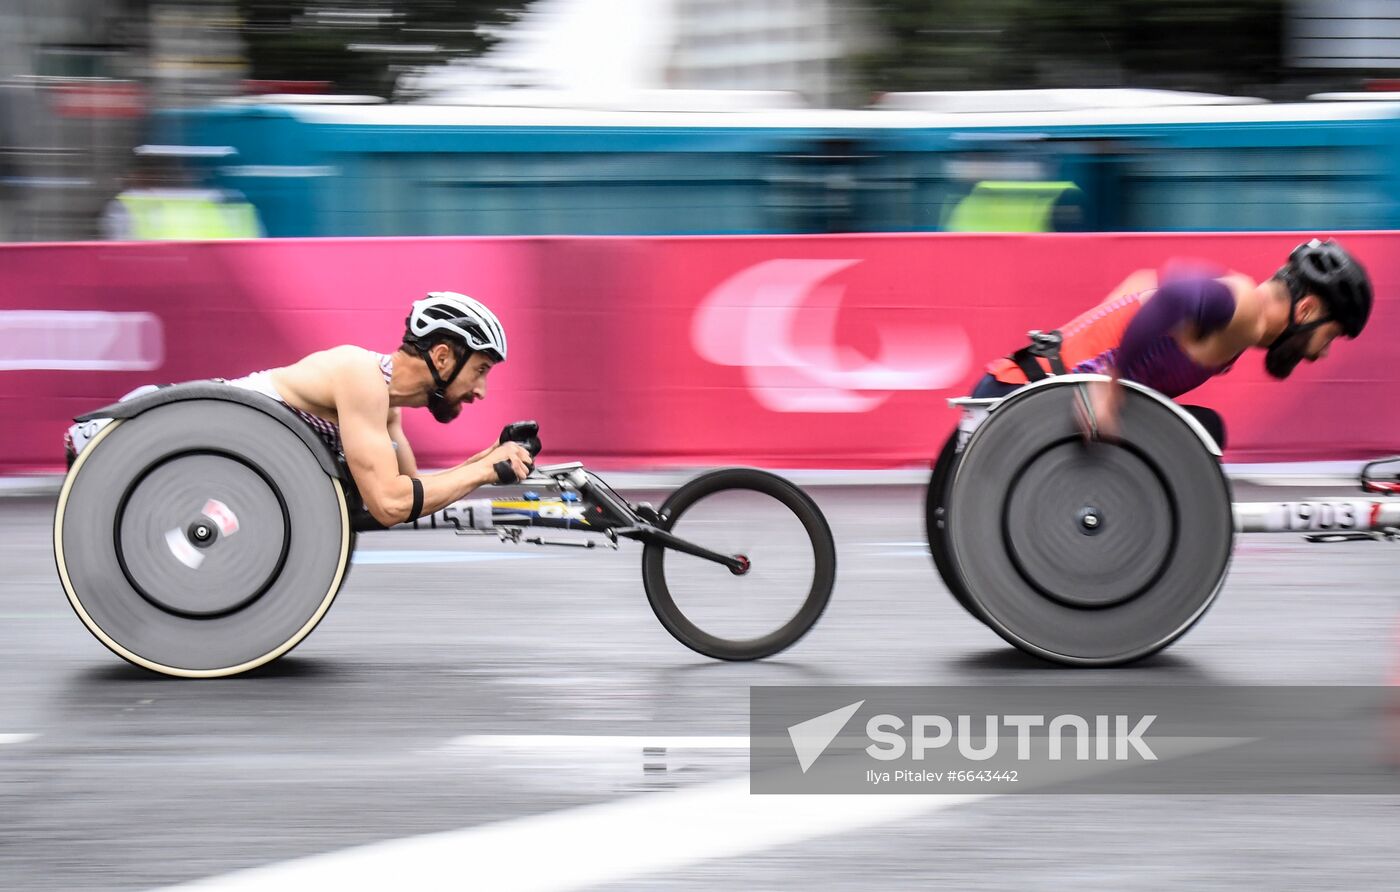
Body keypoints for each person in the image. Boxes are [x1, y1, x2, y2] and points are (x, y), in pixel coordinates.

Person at [65, 292, 535, 527]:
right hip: (169, 429)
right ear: (444, 357)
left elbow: (412, 496)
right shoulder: (360, 376)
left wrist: (485, 460)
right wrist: (483, 474)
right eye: (481, 370)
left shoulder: (384, 409)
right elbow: (390, 505)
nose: (482, 392)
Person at [972, 238, 1373, 447]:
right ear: (1305, 311)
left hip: (1013, 383)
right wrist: (1112, 385)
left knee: (1201, 429)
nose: (1322, 354)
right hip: (1020, 398)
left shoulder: (1233, 305)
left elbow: (1142, 282)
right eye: (1331, 335)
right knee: (1204, 433)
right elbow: (1175, 291)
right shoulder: (1246, 308)